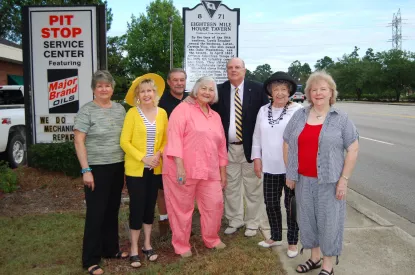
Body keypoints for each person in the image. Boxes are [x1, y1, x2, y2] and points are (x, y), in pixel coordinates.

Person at [283, 71, 359, 275]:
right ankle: (314, 258)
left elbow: (353, 148)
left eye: (323, 89)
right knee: (307, 221)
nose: (318, 93)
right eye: (314, 90)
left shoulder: (341, 118)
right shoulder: (299, 115)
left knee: (329, 222)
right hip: (303, 180)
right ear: (308, 93)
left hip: (330, 182)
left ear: (331, 93)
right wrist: (291, 172)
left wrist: (344, 180)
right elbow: (287, 142)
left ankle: (328, 265)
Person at [162, 76, 228, 258]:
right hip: (182, 169)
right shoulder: (182, 110)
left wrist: (223, 172)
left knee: (214, 205)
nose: (207, 92)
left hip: (209, 170)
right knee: (182, 209)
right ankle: (181, 245)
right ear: (196, 90)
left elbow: (221, 146)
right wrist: (180, 167)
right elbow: (174, 138)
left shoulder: (215, 116)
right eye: (204, 88)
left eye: (211, 89)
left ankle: (212, 238)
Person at [74, 70, 128, 275]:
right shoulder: (87, 111)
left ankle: (110, 249)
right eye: (100, 86)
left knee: (112, 209)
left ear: (112, 88)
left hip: (117, 165)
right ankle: (90, 258)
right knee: (96, 213)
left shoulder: (120, 109)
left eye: (107, 85)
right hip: (96, 167)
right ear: (94, 89)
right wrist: (86, 169)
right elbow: (78, 140)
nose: (104, 89)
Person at [213, 57, 270, 237]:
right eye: (230, 67)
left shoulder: (258, 89)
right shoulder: (219, 90)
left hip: (251, 148)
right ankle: (235, 219)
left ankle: (253, 222)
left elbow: (267, 116)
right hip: (227, 149)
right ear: (226, 71)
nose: (234, 70)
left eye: (237, 67)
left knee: (253, 187)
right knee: (231, 187)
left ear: (245, 70)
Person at [251, 72, 302, 257]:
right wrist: (257, 159)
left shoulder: (298, 110)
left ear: (289, 92)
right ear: (270, 92)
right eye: (275, 89)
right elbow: (257, 136)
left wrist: (295, 168)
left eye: (283, 89)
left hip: (290, 168)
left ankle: (293, 241)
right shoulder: (263, 110)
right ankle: (275, 236)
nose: (279, 93)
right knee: (271, 203)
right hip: (270, 167)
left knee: (291, 206)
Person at [120, 74, 168, 268]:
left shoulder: (163, 113)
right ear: (137, 95)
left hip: (155, 168)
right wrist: (143, 157)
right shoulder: (132, 113)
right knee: (137, 207)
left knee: (150, 206)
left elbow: (167, 138)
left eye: (149, 90)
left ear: (155, 93)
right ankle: (134, 248)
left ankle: (148, 244)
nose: (146, 94)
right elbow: (124, 141)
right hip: (136, 169)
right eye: (142, 91)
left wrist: (158, 154)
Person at [157, 68, 188, 237]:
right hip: (166, 150)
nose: (179, 83)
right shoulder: (161, 102)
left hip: (188, 151)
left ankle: (183, 223)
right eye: (175, 80)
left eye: (182, 80)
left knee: (183, 187)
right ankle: (164, 221)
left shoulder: (192, 99)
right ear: (169, 82)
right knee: (162, 189)